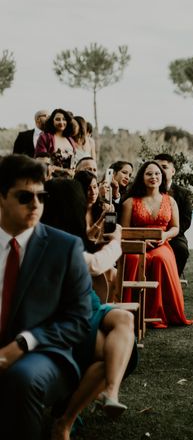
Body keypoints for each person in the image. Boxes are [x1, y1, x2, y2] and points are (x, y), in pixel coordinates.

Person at [0, 155, 92, 439]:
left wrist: (23, 343)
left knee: (22, 379)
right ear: (1, 197)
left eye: (42, 196)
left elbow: (78, 321)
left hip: (44, 353)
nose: (36, 204)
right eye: (25, 197)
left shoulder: (64, 247)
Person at [41, 179, 136, 439]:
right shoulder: (47, 235)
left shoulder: (65, 230)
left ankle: (111, 393)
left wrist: (94, 235)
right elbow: (93, 264)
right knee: (112, 353)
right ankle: (66, 419)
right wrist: (116, 241)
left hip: (89, 302)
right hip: (69, 310)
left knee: (125, 319)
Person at [120, 161, 193, 328]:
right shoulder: (130, 202)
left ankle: (160, 314)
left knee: (161, 259)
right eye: (149, 174)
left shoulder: (171, 201)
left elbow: (175, 227)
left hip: (162, 244)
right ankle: (129, 312)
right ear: (142, 177)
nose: (153, 177)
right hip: (135, 244)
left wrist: (165, 236)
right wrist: (140, 241)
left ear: (162, 177)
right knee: (132, 259)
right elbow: (124, 231)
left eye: (157, 174)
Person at [154, 154, 193, 277]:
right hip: (149, 233)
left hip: (175, 235)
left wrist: (169, 235)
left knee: (181, 250)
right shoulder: (145, 190)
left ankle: (172, 280)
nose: (160, 171)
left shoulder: (184, 193)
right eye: (157, 167)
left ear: (173, 171)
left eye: (164, 167)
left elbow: (186, 221)